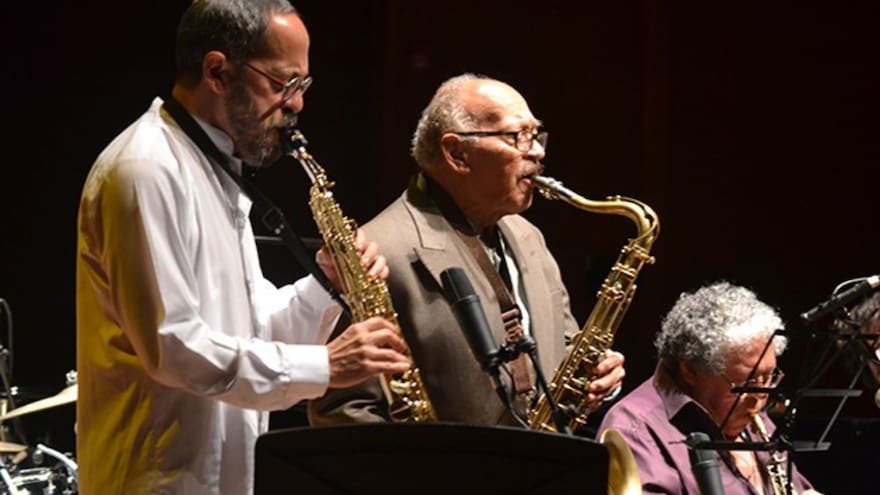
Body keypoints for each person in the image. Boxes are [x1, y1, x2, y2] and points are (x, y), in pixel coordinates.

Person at [75, 1, 411, 493]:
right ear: (217, 72)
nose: (296, 104)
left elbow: (252, 330)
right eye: (283, 83)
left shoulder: (213, 167)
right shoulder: (145, 169)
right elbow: (174, 346)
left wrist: (324, 285)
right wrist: (325, 366)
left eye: (303, 86)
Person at [309, 73, 625, 427]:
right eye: (517, 136)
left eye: (536, 135)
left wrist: (596, 377)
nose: (537, 151)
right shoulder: (376, 253)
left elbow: (562, 348)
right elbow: (345, 410)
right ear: (457, 153)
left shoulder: (528, 237)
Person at [598, 281, 822, 494]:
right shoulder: (634, 431)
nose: (760, 399)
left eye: (769, 377)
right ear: (691, 371)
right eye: (747, 383)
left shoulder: (752, 417)